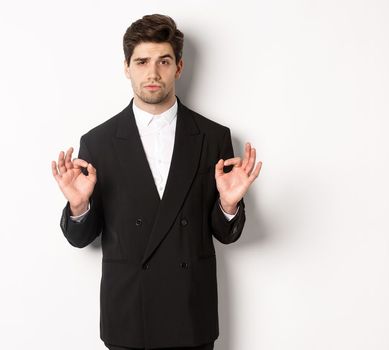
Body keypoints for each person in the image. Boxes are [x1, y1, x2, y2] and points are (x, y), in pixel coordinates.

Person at [50, 14, 262, 350]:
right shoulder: (98, 142)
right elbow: (82, 239)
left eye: (163, 61)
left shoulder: (213, 137)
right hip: (130, 316)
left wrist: (228, 205)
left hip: (191, 315)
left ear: (178, 67)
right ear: (126, 67)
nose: (152, 73)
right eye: (142, 61)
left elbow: (224, 235)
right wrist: (79, 206)